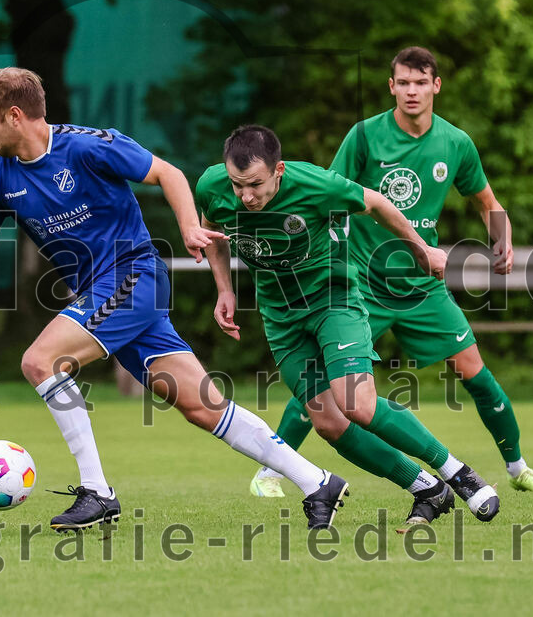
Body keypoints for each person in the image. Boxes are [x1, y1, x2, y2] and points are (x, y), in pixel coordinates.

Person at [0, 67, 349, 531]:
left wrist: (189, 227)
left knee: (40, 362)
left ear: (14, 115)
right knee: (203, 407)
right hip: (104, 294)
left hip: (134, 277)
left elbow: (168, 173)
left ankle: (97, 491)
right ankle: (317, 481)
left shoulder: (88, 147)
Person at [255, 47, 533, 497]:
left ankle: (519, 469)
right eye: (403, 83)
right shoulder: (364, 137)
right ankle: (269, 473)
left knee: (475, 372)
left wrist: (502, 238)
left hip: (422, 285)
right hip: (361, 283)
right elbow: (327, 196)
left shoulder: (455, 143)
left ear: (436, 85)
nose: (411, 91)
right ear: (391, 87)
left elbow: (486, 202)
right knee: (323, 383)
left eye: (420, 82)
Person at [197, 124, 501, 527]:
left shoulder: (315, 184)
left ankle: (457, 473)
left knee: (357, 404)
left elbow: (376, 203)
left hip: (333, 301)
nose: (246, 196)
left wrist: (421, 249)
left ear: (278, 170)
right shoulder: (211, 186)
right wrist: (225, 289)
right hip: (281, 318)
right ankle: (427, 489)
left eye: (255, 184)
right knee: (328, 423)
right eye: (238, 185)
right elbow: (213, 231)